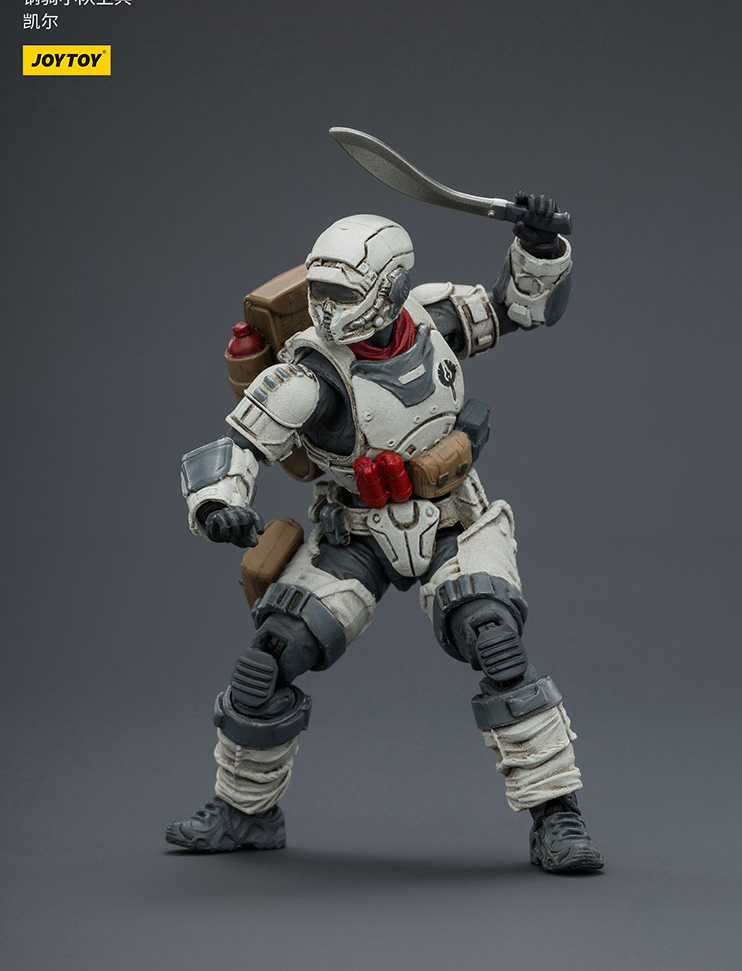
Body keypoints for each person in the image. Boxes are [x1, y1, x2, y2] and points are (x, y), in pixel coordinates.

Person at [167, 201, 604, 873]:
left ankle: (557, 815)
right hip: (356, 530)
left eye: (343, 293)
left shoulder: (435, 317)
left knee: (494, 637)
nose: (326, 308)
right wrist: (220, 503)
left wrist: (539, 249)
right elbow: (238, 445)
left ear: (390, 287)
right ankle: (244, 813)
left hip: (452, 514)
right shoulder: (309, 375)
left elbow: (521, 308)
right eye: (319, 290)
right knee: (270, 658)